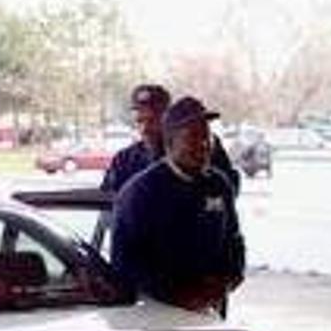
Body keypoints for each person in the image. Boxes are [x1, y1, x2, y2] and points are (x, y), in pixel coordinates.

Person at [111, 96, 246, 315]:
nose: (203, 145)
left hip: (211, 308)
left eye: (207, 137)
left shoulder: (218, 184)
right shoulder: (141, 192)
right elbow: (126, 261)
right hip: (156, 313)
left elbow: (234, 240)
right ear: (170, 142)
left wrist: (228, 281)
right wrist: (178, 296)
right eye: (193, 137)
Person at [102, 84, 241, 196]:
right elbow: (106, 205)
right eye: (140, 121)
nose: (145, 129)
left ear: (168, 118)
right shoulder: (124, 160)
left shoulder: (202, 149)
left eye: (153, 120)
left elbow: (226, 195)